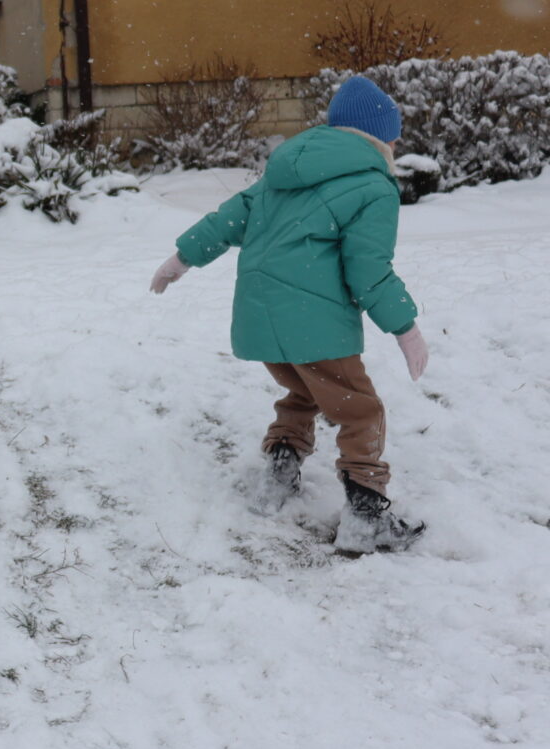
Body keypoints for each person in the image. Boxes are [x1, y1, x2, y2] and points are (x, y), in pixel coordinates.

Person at [151, 73, 428, 554]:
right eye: (394, 134)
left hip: (260, 317)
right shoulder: (372, 186)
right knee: (361, 410)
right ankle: (366, 515)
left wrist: (181, 259)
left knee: (304, 390)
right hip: (314, 321)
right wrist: (405, 328)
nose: (397, 143)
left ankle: (278, 474)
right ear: (379, 137)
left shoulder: (282, 175)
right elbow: (368, 269)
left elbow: (225, 221)